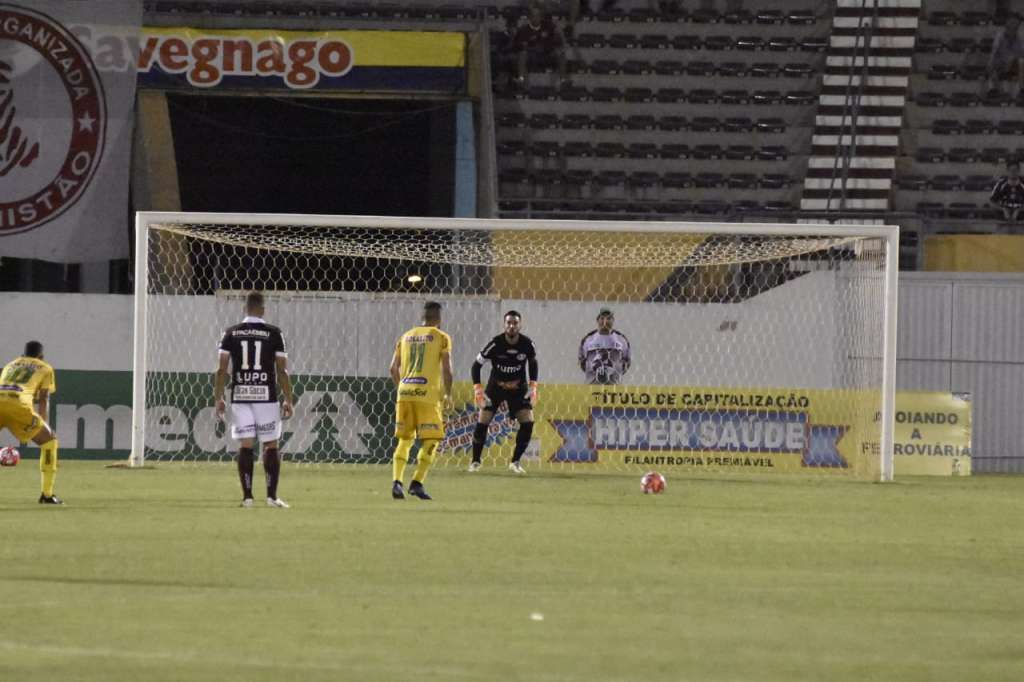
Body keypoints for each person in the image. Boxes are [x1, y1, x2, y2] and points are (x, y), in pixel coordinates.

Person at [214, 291, 294, 508]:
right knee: (270, 445)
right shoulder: (274, 333)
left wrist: (219, 398)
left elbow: (222, 370)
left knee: (246, 444)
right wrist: (288, 399)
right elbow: (282, 372)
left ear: (244, 309)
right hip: (266, 397)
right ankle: (271, 497)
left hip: (241, 396)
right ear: (263, 310)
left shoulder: (230, 333)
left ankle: (248, 497)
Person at [388, 301, 454, 501]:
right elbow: (447, 369)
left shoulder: (406, 336)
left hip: (405, 393)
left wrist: (403, 388)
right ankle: (417, 482)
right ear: (439, 319)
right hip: (427, 396)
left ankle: (397, 482)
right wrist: (448, 393)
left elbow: (392, 369)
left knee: (405, 440)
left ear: (422, 317)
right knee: (432, 439)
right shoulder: (441, 337)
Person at [468, 311, 539, 474]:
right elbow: (476, 365)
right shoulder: (495, 343)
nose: (512, 326)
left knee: (528, 421)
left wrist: (533, 386)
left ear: (520, 325)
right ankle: (475, 462)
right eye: (508, 323)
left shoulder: (527, 344)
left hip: (518, 388)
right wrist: (478, 389)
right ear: (504, 325)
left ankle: (515, 462)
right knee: (483, 420)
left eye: (515, 323)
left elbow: (533, 362)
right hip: (496, 387)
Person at [0, 341, 62, 504]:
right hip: (18, 406)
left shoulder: (10, 365)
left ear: (23, 354)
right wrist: (42, 422)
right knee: (50, 441)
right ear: (40, 356)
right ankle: (47, 495)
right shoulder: (45, 367)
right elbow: (44, 397)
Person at [512, 2, 569, 88]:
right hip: (532, 55)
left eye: (538, 15)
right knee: (522, 54)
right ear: (530, 17)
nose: (536, 18)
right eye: (533, 16)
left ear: (541, 17)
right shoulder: (523, 30)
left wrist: (561, 43)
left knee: (560, 52)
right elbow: (518, 46)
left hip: (547, 53)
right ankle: (521, 79)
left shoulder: (548, 25)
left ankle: (563, 80)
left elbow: (559, 34)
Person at [578, 308, 631, 385]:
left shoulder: (621, 339)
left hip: (614, 386)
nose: (605, 321)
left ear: (613, 320)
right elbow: (582, 361)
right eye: (602, 318)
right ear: (597, 320)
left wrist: (615, 374)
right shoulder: (588, 339)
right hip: (592, 385)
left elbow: (627, 362)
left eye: (609, 318)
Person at [986, 13, 1024, 97]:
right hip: (1000, 64)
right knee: (992, 64)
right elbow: (994, 51)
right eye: (1011, 21)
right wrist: (991, 62)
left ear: (1018, 25)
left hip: (1012, 65)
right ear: (1007, 22)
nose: (1013, 24)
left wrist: (1013, 60)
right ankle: (995, 91)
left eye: (1016, 22)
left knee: (1021, 62)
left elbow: (1021, 55)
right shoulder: (999, 36)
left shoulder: (1020, 39)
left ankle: (1021, 90)